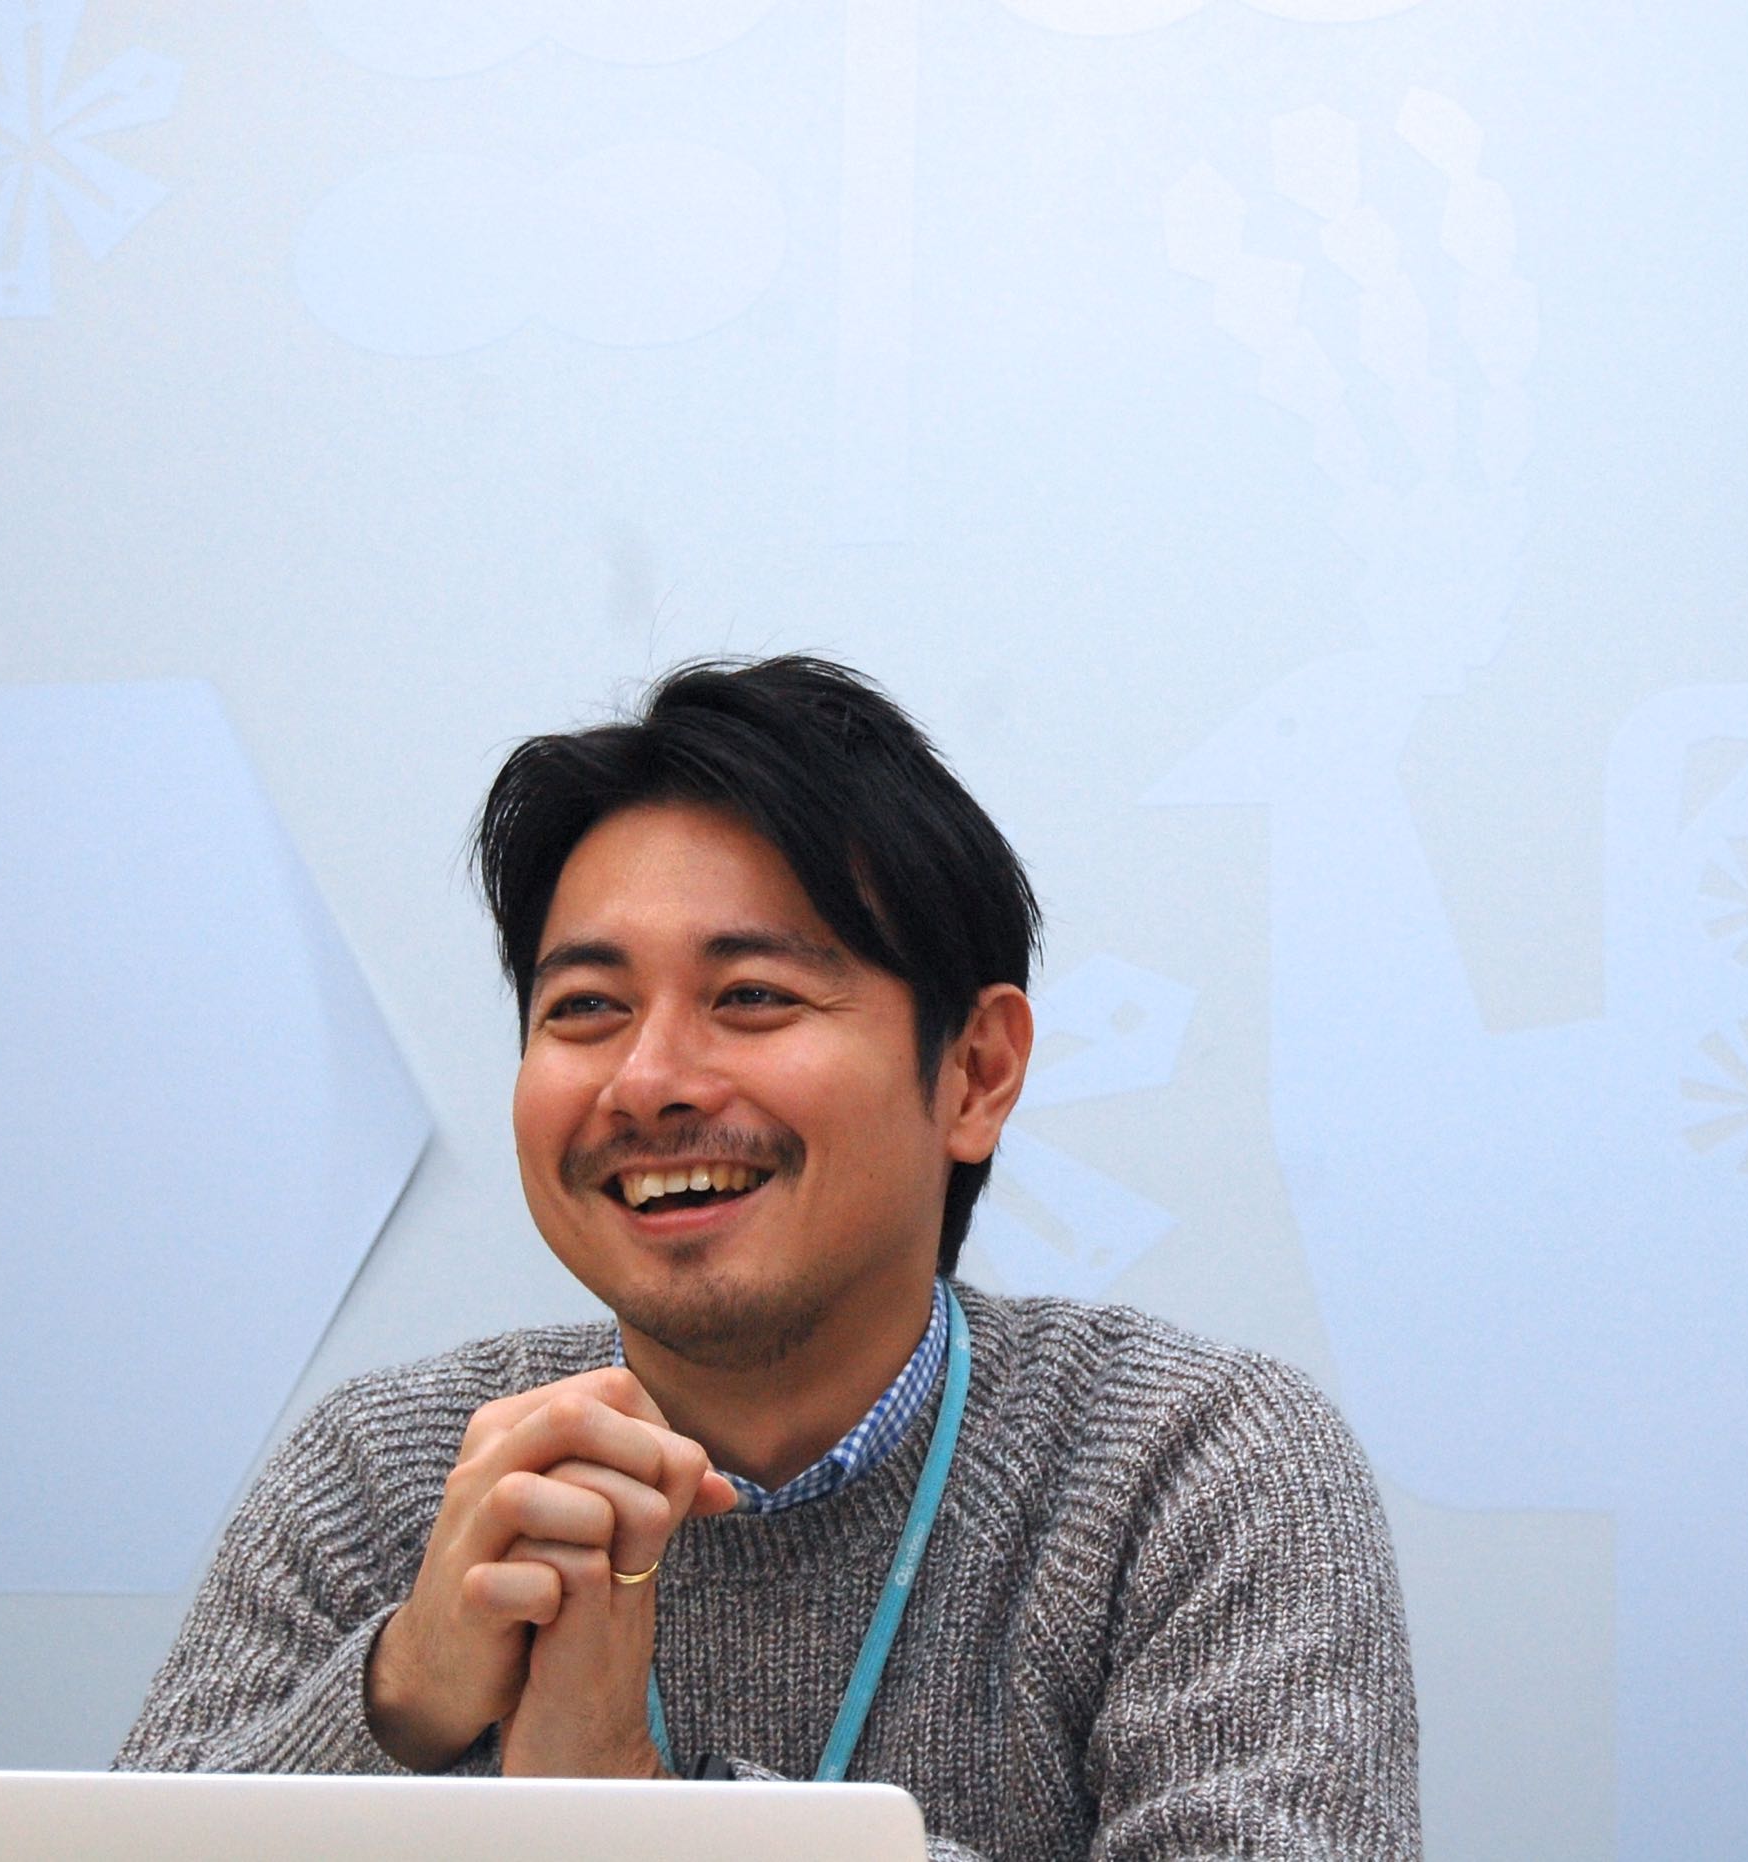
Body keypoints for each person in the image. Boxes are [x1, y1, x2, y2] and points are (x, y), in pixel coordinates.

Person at [115, 655, 1421, 1858]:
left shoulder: (1190, 1471)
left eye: (751, 996)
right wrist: (399, 1698)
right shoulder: (392, 1477)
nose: (648, 1079)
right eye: (586, 1007)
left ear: (975, 1071)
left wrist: (638, 1817)